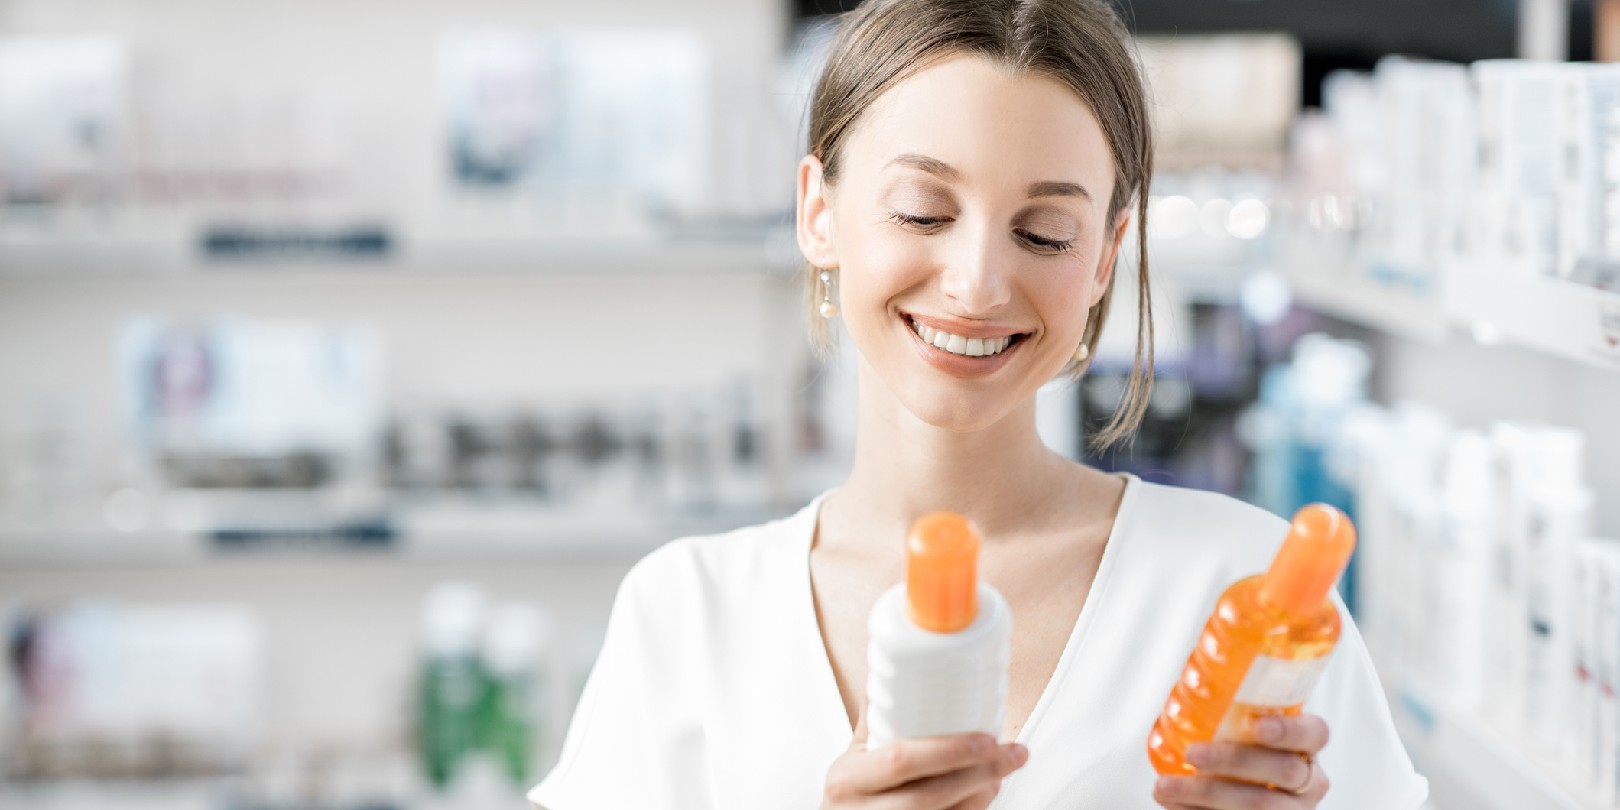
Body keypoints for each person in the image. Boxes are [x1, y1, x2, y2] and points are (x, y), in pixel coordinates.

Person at [529, 1, 1429, 808]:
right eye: (922, 211)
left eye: (1044, 233)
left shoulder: (1244, 591)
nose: (977, 283)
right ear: (818, 212)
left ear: (1107, 254)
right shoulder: (690, 617)